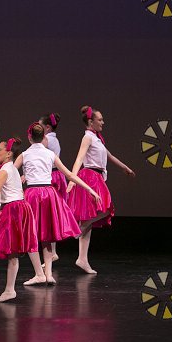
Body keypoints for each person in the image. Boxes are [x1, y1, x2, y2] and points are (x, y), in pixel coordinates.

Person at [15, 122, 100, 284]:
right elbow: (70, 175)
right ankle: (48, 274)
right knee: (46, 235)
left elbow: (8, 175)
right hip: (48, 194)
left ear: (29, 137)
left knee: (31, 234)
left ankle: (39, 274)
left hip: (32, 194)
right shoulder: (50, 154)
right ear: (44, 137)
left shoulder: (24, 155)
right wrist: (90, 189)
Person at [67, 106, 135, 274]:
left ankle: (82, 258)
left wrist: (125, 168)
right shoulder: (88, 137)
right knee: (106, 208)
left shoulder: (97, 139)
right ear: (91, 122)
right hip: (90, 176)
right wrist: (72, 180)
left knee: (90, 216)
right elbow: (79, 158)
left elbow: (109, 156)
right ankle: (80, 228)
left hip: (96, 176)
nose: (103, 122)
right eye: (100, 120)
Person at [0, 138, 39, 302]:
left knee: (12, 251)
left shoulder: (6, 170)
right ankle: (9, 289)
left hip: (14, 210)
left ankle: (9, 290)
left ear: (8, 154)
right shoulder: (11, 168)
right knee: (12, 253)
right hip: (19, 208)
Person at [40, 112, 65, 262]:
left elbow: (39, 157)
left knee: (49, 214)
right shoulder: (54, 139)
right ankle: (53, 252)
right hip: (56, 176)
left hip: (51, 177)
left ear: (48, 127)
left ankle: (52, 252)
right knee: (51, 213)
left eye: (40, 126)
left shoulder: (47, 139)